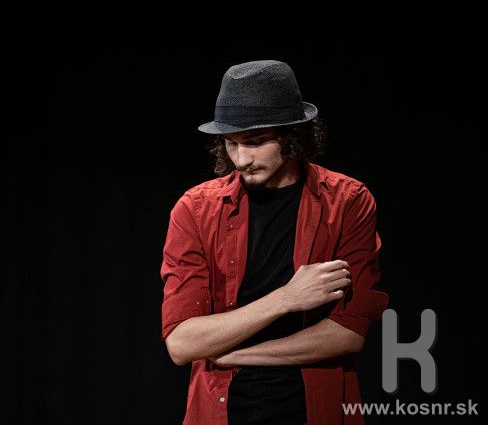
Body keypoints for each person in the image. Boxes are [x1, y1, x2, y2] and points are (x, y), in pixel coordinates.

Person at [159, 60, 389, 425]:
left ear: (292, 135)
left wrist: (238, 355)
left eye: (255, 142)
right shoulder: (195, 210)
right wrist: (287, 298)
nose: (242, 159)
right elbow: (183, 343)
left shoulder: (347, 202)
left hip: (313, 410)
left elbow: (348, 333)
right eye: (231, 144)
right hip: (223, 412)